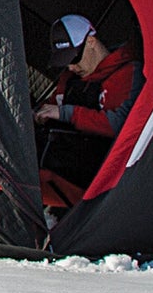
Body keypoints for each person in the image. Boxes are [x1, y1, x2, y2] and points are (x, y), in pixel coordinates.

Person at [34, 14, 145, 209]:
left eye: (74, 58)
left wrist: (66, 113)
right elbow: (49, 108)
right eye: (65, 60)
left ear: (91, 41)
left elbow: (120, 126)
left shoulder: (127, 73)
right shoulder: (69, 80)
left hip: (104, 189)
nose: (71, 66)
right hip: (54, 181)